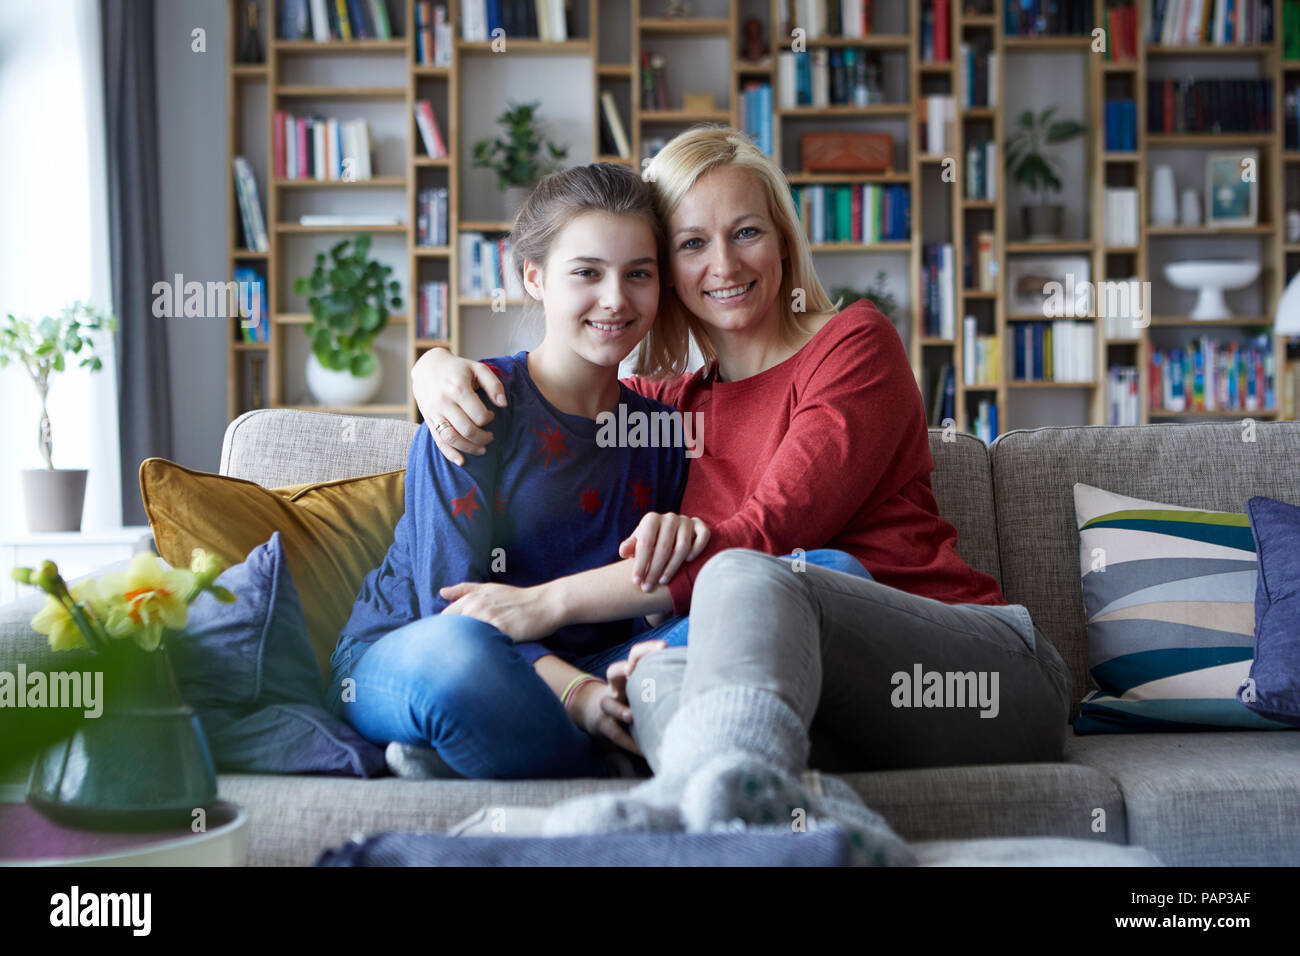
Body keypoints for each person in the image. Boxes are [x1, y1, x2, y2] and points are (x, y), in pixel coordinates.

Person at [410, 126, 1070, 854]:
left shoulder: (853, 346)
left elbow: (767, 533)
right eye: (691, 244)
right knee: (653, 686)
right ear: (663, 272)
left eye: (746, 231)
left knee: (757, 579)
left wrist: (546, 603)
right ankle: (779, 831)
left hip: (973, 676)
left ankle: (679, 830)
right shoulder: (667, 409)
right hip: (814, 703)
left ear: (783, 243)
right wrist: (435, 367)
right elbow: (563, 385)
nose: (723, 263)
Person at [324, 162, 712, 780]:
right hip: (420, 647)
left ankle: (487, 747)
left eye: (638, 274)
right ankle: (585, 752)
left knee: (782, 593)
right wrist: (578, 696)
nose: (615, 298)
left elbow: (653, 605)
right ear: (534, 277)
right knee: (460, 664)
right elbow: (447, 607)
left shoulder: (661, 431)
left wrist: (673, 570)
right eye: (586, 272)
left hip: (590, 660)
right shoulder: (474, 404)